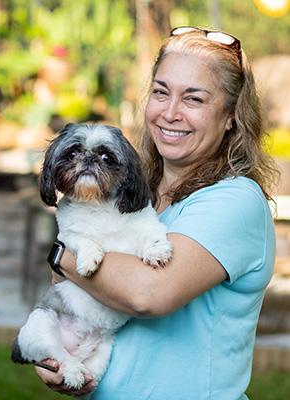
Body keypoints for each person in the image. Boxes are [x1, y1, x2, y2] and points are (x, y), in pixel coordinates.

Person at [35, 27, 278, 399]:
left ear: (231, 115)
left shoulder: (235, 200)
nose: (170, 112)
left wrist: (60, 256)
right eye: (161, 92)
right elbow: (71, 293)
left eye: (193, 99)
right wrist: (59, 350)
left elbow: (149, 293)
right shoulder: (130, 192)